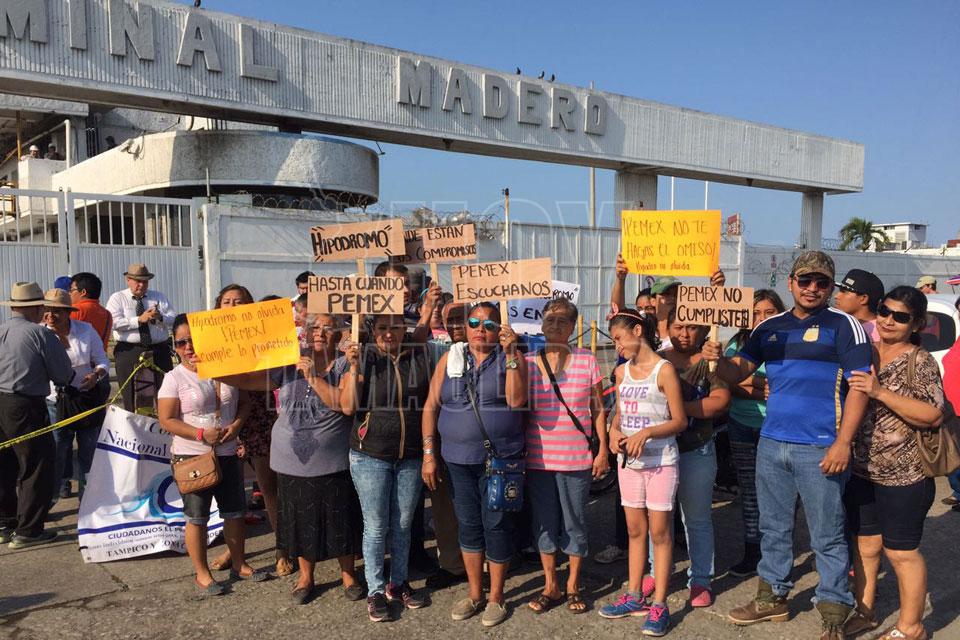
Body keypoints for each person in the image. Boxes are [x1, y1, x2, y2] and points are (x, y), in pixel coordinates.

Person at [703, 251, 872, 640]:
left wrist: (843, 443)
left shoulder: (845, 326)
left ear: (830, 287)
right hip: (772, 442)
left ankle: (834, 611)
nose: (813, 288)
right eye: (805, 280)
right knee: (773, 526)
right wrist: (717, 359)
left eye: (822, 282)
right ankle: (771, 598)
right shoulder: (769, 328)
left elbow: (860, 388)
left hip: (821, 447)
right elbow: (737, 372)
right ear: (791, 282)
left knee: (827, 533)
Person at [219, 313, 364, 604]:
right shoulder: (287, 363)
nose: (320, 332)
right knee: (299, 521)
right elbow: (247, 379)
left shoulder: (347, 364)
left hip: (332, 461)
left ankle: (348, 574)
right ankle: (305, 576)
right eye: (314, 327)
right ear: (305, 333)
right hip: (289, 460)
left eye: (328, 327)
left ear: (339, 334)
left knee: (340, 519)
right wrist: (214, 369)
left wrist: (312, 377)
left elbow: (346, 405)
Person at [843, 287, 944, 640]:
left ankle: (911, 627)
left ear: (916, 324)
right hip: (862, 469)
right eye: (884, 311)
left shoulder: (920, 361)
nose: (888, 320)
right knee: (865, 545)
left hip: (906, 475)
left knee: (901, 552)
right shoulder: (865, 351)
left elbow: (933, 414)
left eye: (900, 317)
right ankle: (865, 611)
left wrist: (880, 392)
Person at [421, 301, 527, 627]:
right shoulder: (450, 358)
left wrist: (511, 354)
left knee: (496, 525)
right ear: (465, 327)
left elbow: (516, 401)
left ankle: (496, 596)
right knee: (467, 525)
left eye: (490, 324)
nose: (481, 329)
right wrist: (429, 453)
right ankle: (474, 593)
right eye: (475, 323)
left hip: (499, 461)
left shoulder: (511, 357)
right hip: (457, 461)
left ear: (500, 329)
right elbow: (430, 406)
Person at [157, 314, 264, 596]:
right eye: (181, 342)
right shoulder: (174, 378)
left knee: (235, 512)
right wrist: (200, 434)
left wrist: (236, 426)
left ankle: (239, 563)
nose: (188, 347)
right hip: (192, 458)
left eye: (193, 340)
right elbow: (166, 419)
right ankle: (202, 573)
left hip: (228, 453)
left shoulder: (227, 370)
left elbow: (244, 403)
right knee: (197, 516)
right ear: (175, 346)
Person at [340, 310, 435, 622]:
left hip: (410, 455)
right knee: (376, 525)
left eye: (396, 327)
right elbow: (348, 407)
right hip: (370, 455)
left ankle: (398, 582)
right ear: (373, 329)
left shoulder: (419, 356)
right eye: (383, 327)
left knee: (404, 524)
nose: (390, 333)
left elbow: (428, 403)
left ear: (405, 329)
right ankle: (376, 590)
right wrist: (353, 367)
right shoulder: (363, 356)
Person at [598, 309, 686, 637]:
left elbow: (680, 420)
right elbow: (619, 415)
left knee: (660, 533)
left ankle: (659, 603)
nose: (617, 346)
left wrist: (647, 433)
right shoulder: (621, 373)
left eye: (619, 338)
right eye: (613, 341)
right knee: (635, 531)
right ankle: (634, 595)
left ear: (637, 330)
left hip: (661, 462)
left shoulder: (664, 370)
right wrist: (613, 433)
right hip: (630, 465)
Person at [525, 298, 609, 615]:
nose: (555, 325)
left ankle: (573, 583)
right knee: (543, 523)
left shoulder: (587, 360)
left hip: (576, 458)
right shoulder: (527, 362)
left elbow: (598, 408)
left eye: (563, 320)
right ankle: (551, 584)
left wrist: (602, 449)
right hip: (539, 459)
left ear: (573, 327)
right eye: (550, 319)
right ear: (542, 324)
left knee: (575, 521)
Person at [207, 285, 292, 577]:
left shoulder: (264, 337)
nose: (232, 306)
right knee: (229, 490)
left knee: (268, 486)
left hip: (258, 416)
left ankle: (283, 548)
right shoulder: (210, 339)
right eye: (227, 302)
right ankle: (234, 549)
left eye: (239, 302)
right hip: (221, 419)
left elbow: (274, 376)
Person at [651, 308, 730, 608]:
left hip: (696, 450)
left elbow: (720, 401)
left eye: (692, 327)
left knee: (696, 519)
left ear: (703, 330)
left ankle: (700, 579)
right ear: (668, 327)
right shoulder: (656, 360)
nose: (685, 333)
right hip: (658, 453)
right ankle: (655, 571)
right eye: (679, 326)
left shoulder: (710, 361)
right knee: (658, 520)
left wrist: (678, 410)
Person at [0, 282, 73, 549]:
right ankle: (28, 530)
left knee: (4, 464)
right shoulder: (41, 335)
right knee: (36, 465)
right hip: (25, 404)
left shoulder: (2, 330)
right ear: (37, 308)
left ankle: (4, 522)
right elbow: (63, 375)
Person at [723, 289, 786, 577]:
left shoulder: (787, 342)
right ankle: (752, 550)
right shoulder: (737, 344)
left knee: (780, 493)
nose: (761, 318)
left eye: (768, 312)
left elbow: (783, 384)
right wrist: (761, 388)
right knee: (750, 492)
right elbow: (728, 382)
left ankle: (778, 552)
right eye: (755, 313)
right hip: (742, 425)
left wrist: (749, 382)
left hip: (777, 428)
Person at [42, 289, 110, 501]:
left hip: (85, 399)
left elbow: (103, 361)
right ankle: (56, 492)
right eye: (47, 310)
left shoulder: (86, 330)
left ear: (68, 312)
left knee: (88, 451)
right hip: (55, 401)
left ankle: (87, 498)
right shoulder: (40, 333)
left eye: (57, 311)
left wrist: (96, 375)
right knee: (58, 450)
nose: (51, 316)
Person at [106, 263, 175, 411]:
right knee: (131, 395)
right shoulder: (118, 298)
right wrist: (138, 320)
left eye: (145, 281)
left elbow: (174, 319)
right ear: (128, 280)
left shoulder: (158, 297)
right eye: (138, 281)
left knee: (166, 393)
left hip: (159, 350)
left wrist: (160, 317)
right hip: (130, 351)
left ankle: (165, 421)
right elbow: (113, 322)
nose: (141, 285)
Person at [834, 268, 884, 343]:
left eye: (844, 291)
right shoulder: (846, 324)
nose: (836, 296)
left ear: (863, 299)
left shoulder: (879, 334)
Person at [69, 272, 112, 351]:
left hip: (76, 357)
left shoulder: (74, 310)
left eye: (71, 290)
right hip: (99, 356)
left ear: (83, 292)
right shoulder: (107, 314)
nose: (69, 293)